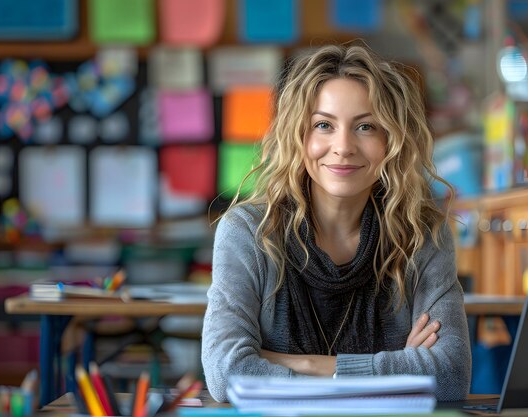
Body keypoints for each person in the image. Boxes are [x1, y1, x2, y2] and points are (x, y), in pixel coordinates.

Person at [201, 43, 471, 402]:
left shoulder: (421, 234)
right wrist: (401, 367)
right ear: (298, 135)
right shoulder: (247, 232)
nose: (343, 146)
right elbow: (226, 374)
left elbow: (451, 375)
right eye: (324, 125)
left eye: (365, 126)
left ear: (392, 139)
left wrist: (311, 366)